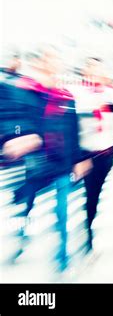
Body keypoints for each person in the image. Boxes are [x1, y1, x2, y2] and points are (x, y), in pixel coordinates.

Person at [3, 47, 89, 272]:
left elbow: (73, 130)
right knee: (24, 209)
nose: (54, 65)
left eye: (56, 60)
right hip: (34, 164)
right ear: (38, 63)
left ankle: (62, 255)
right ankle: (21, 238)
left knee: (62, 211)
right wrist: (20, 136)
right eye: (49, 60)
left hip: (61, 164)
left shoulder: (66, 96)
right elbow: (14, 120)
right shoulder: (23, 91)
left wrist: (79, 159)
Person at [68, 57, 113, 254]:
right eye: (91, 69)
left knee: (94, 193)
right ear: (85, 73)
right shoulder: (76, 94)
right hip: (84, 153)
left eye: (99, 69)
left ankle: (88, 222)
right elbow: (71, 125)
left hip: (106, 152)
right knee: (88, 191)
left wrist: (110, 113)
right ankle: (87, 233)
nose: (95, 73)